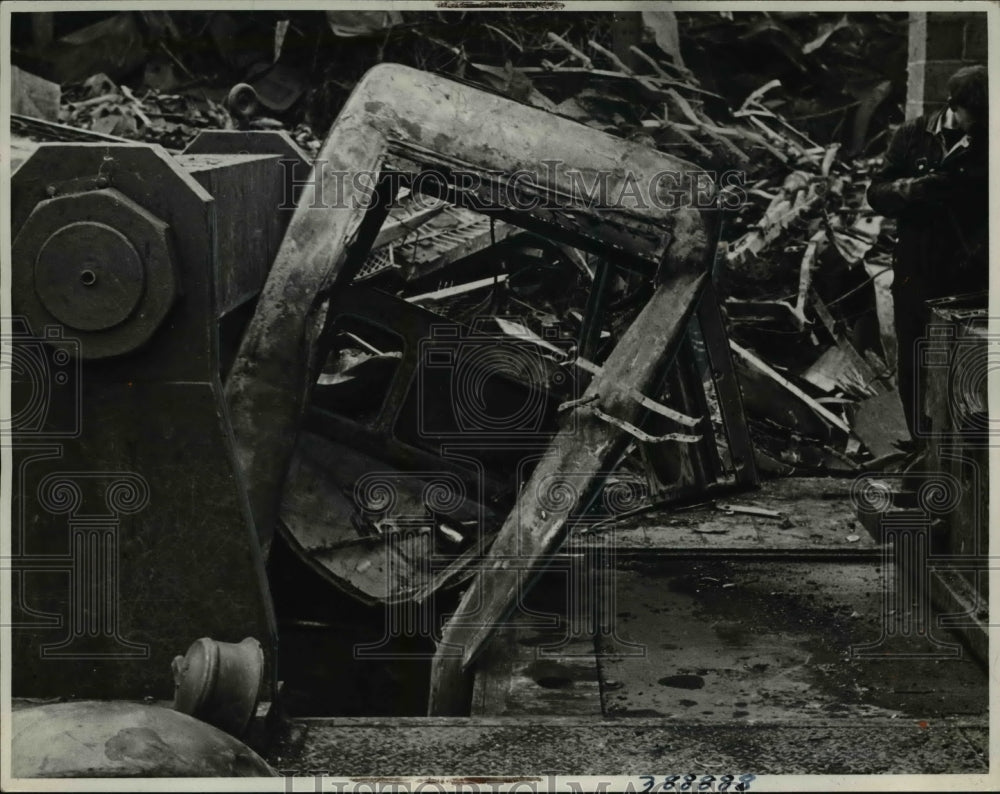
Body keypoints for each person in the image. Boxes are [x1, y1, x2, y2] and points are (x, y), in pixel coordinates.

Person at [867, 65, 988, 447]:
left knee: (963, 363)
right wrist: (917, 190)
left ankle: (956, 449)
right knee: (914, 356)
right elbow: (877, 193)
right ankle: (921, 442)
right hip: (915, 266)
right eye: (977, 114)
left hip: (968, 271)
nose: (982, 122)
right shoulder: (913, 136)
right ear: (953, 106)